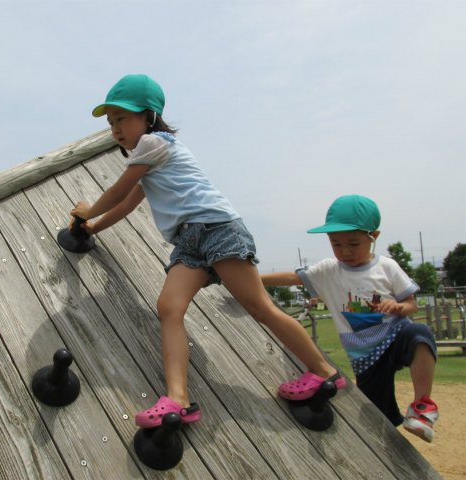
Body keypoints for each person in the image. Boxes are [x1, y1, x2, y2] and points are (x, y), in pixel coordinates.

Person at [70, 74, 344, 428]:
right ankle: (178, 400)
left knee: (258, 306)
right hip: (190, 243)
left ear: (149, 116)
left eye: (122, 118)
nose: (115, 129)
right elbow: (126, 205)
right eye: (111, 122)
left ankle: (323, 371)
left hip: (217, 229)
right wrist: (93, 228)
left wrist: (87, 211)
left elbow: (117, 193)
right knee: (169, 307)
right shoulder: (149, 162)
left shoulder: (153, 144)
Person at [261, 195, 439, 442]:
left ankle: (422, 408)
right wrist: (251, 279)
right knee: (378, 416)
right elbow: (293, 278)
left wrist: (399, 307)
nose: (345, 251)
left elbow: (412, 304)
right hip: (364, 356)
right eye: (336, 244)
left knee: (420, 335)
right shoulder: (328, 270)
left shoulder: (387, 267)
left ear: (373, 236)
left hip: (393, 335)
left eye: (354, 244)